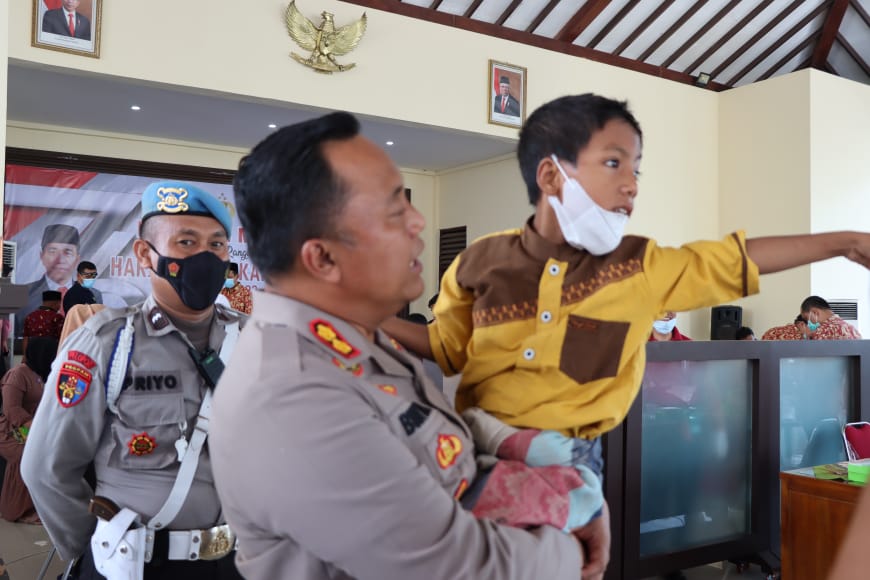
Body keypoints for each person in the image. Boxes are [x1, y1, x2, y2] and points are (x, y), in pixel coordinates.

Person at [381, 93, 870, 546]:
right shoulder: (478, 261)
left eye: (636, 169)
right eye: (614, 163)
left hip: (566, 465)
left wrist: (844, 243)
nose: (632, 184)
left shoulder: (640, 267)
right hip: (475, 451)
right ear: (550, 176)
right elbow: (446, 347)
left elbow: (735, 259)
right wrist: (364, 318)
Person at [211, 112, 599, 580]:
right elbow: (454, 567)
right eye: (394, 211)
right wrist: (573, 549)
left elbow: (445, 456)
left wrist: (555, 491)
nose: (418, 222)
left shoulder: (361, 340)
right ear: (323, 257)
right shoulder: (293, 393)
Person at [21, 181, 247, 579]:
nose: (205, 257)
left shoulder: (254, 341)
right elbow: (46, 468)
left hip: (236, 562)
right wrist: (100, 546)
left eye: (216, 245)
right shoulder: (107, 343)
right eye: (186, 242)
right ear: (145, 254)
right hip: (136, 565)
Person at [0, 337, 58, 524]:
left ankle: (39, 505)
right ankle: (16, 510)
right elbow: (11, 409)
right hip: (9, 429)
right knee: (27, 453)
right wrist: (35, 427)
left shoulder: (42, 374)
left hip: (31, 428)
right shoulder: (18, 374)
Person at [17, 223, 80, 339]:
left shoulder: (92, 295)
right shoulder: (22, 294)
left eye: (68, 252)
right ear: (41, 256)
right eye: (52, 251)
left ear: (77, 258)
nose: (60, 260)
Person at [22, 290, 65, 355]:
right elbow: (62, 338)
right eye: (59, 303)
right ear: (55, 303)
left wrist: (25, 356)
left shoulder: (30, 316)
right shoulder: (57, 317)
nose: (60, 306)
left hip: (32, 353)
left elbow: (25, 338)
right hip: (51, 353)